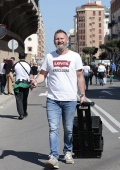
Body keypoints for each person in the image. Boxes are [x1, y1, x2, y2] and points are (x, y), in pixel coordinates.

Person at [30, 29, 85, 169]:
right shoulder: (49, 57)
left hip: (70, 99)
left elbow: (80, 77)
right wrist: (36, 81)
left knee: (68, 129)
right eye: (57, 39)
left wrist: (82, 94)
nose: (59, 41)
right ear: (54, 41)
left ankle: (67, 152)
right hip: (53, 99)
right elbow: (43, 74)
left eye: (61, 38)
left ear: (67, 40)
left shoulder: (75, 56)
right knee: (53, 129)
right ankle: (53, 156)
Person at [9, 52, 33, 120]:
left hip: (18, 84)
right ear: (25, 57)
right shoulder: (28, 65)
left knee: (19, 99)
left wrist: (13, 80)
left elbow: (10, 73)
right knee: (25, 99)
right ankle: (25, 112)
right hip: (26, 84)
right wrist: (31, 82)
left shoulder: (16, 64)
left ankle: (21, 114)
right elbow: (31, 75)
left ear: (18, 57)